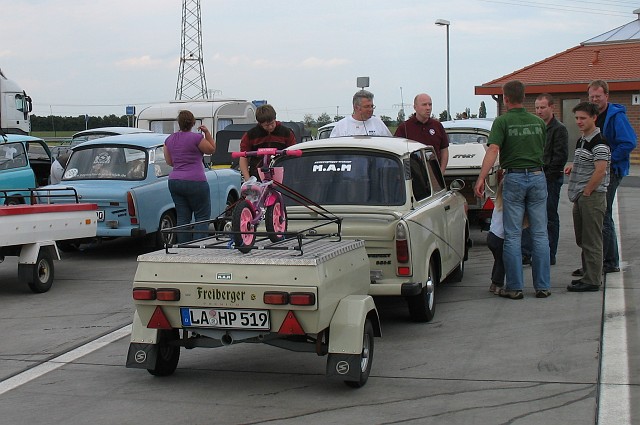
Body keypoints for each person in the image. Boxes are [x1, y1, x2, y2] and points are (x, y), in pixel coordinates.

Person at [473, 80, 550, 300]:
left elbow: (493, 149)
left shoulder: (502, 122)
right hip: (537, 176)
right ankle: (543, 285)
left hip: (514, 177)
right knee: (540, 234)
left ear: (505, 98)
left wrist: (481, 177)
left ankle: (515, 287)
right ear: (524, 97)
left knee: (513, 235)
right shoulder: (538, 123)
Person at [579, 80, 637, 275]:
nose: (595, 100)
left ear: (607, 96)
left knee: (602, 215)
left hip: (611, 171)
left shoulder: (615, 117)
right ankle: (593, 263)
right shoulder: (592, 114)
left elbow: (629, 142)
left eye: (598, 96)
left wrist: (608, 160)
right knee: (593, 217)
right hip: (594, 170)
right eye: (592, 97)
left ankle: (610, 261)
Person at [564, 102, 610, 292]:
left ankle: (592, 280)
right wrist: (574, 167)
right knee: (583, 238)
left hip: (591, 197)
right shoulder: (582, 140)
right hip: (581, 196)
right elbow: (589, 162)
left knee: (592, 240)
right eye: (577, 118)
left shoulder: (599, 143)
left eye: (583, 118)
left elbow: (600, 170)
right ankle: (587, 273)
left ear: (594, 118)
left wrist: (588, 191)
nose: (579, 122)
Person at [521, 93, 569, 266]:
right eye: (537, 108)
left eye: (542, 107)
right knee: (528, 216)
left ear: (551, 107)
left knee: (549, 216)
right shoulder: (534, 127)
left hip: (550, 179)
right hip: (532, 176)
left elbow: (560, 157)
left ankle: (549, 253)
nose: (539, 111)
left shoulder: (559, 129)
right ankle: (526, 252)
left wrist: (545, 178)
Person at [163, 110, 216, 243]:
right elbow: (211, 149)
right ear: (193, 123)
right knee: (202, 216)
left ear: (178, 123)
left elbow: (169, 162)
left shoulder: (169, 140)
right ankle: (198, 247)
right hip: (196, 181)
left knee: (182, 217)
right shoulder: (197, 138)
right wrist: (207, 133)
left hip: (175, 181)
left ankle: (183, 247)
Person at [394, 93, 449, 173]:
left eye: (430, 105)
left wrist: (441, 172)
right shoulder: (404, 128)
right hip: (412, 176)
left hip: (434, 175)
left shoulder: (437, 126)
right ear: (415, 107)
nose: (428, 108)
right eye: (424, 105)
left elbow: (444, 150)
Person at [239, 104, 296, 181]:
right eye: (266, 125)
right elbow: (243, 157)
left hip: (283, 176)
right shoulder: (250, 135)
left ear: (275, 118)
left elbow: (293, 154)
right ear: (260, 123)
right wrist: (248, 179)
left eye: (272, 123)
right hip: (257, 176)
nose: (270, 127)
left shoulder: (287, 133)